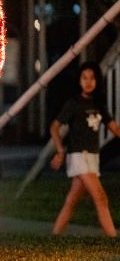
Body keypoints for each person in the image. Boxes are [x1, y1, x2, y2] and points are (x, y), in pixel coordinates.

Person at [50, 61, 120, 237]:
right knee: (100, 197)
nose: (88, 82)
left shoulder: (99, 105)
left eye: (92, 78)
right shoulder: (73, 103)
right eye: (84, 78)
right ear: (79, 80)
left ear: (97, 81)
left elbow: (115, 128)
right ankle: (113, 238)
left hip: (93, 158)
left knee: (72, 201)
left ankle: (54, 236)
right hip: (79, 156)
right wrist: (60, 150)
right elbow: (54, 127)